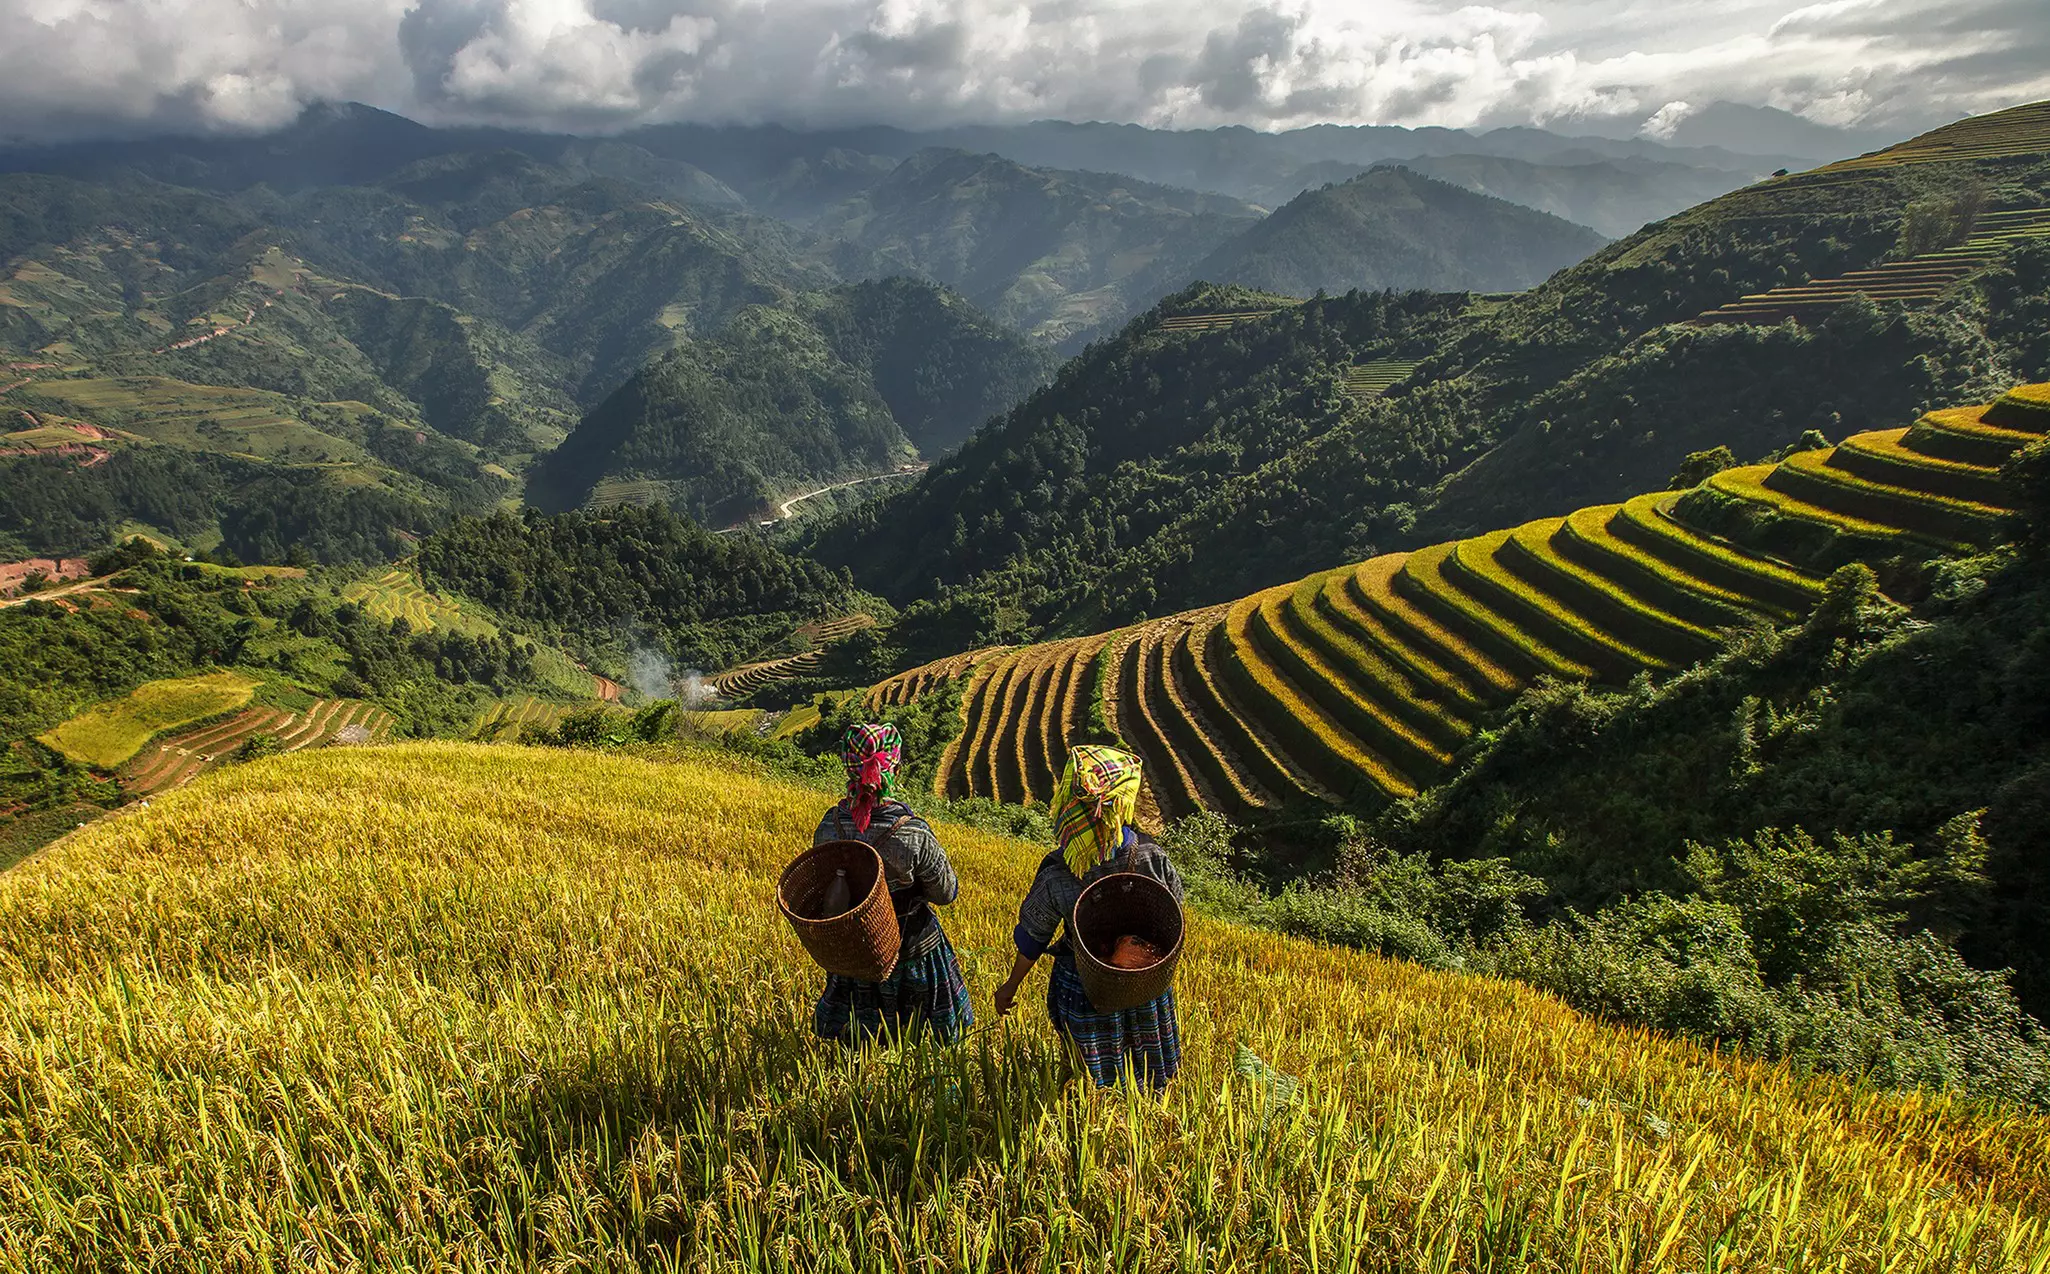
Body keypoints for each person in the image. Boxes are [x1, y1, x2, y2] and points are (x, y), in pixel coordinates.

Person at [993, 744, 1184, 1089]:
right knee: (1147, 1072)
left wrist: (1010, 987)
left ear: (1068, 801)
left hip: (1085, 985)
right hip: (1143, 985)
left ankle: (1087, 1119)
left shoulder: (1058, 872)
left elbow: (1032, 938)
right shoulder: (1153, 859)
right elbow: (1174, 917)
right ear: (1123, 803)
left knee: (1087, 1079)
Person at [811, 723, 972, 1046]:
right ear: (894, 769)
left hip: (856, 954)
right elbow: (946, 892)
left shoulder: (829, 826)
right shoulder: (912, 835)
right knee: (927, 1047)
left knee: (858, 1047)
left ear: (849, 767)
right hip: (912, 954)